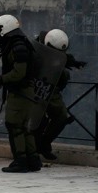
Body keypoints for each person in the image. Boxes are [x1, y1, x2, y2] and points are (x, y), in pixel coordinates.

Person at [0, 14, 41, 173]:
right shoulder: (19, 43)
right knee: (24, 127)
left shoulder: (17, 47)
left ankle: (21, 161)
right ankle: (33, 160)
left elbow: (19, 73)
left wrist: (1, 79)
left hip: (21, 92)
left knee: (15, 125)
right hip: (24, 91)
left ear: (6, 29)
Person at [33, 29, 86, 160]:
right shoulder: (35, 49)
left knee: (61, 117)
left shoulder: (54, 43)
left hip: (50, 88)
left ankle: (44, 145)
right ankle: (34, 149)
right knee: (38, 120)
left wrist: (74, 62)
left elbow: (61, 56)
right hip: (35, 87)